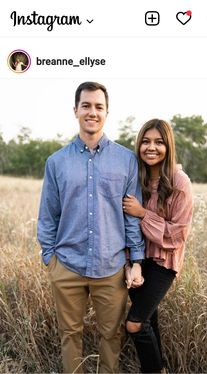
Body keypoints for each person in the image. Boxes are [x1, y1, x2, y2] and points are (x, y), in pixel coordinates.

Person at [37, 81, 145, 374]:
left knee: (111, 336)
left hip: (111, 268)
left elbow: (131, 218)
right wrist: (50, 258)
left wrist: (135, 260)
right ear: (75, 110)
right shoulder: (56, 162)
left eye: (99, 106)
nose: (92, 112)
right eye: (86, 105)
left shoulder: (126, 161)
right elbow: (48, 215)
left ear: (107, 113)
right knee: (70, 335)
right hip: (67, 266)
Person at [123, 118, 193, 373]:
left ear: (168, 146)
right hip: (137, 260)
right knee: (148, 321)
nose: (151, 147)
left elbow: (178, 235)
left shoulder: (179, 181)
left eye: (159, 142)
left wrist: (143, 213)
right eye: (146, 141)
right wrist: (131, 263)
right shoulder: (135, 178)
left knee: (135, 324)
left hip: (164, 263)